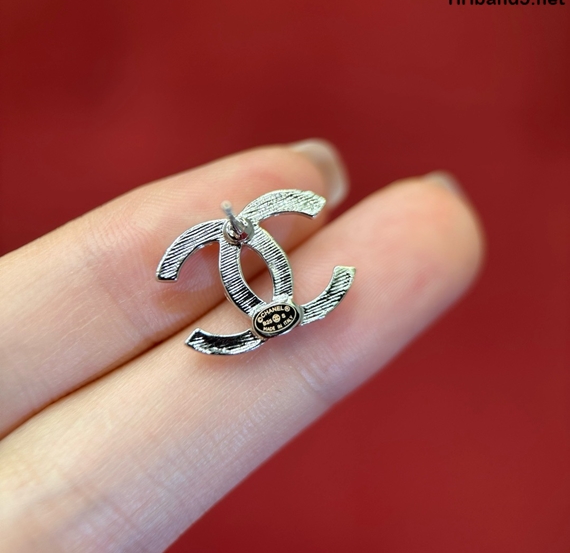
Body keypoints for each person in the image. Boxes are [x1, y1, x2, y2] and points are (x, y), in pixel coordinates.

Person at [0, 139, 483, 551]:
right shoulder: (230, 248)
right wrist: (177, 274)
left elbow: (307, 215)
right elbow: (174, 269)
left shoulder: (255, 242)